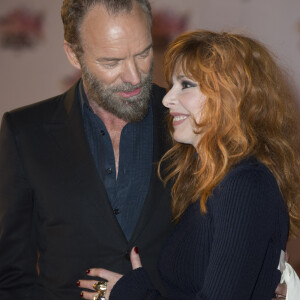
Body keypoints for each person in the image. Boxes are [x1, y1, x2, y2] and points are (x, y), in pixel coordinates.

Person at [78, 30, 300, 299]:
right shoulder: (216, 180)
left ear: (230, 95)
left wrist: (133, 293)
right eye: (172, 85)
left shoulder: (245, 183)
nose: (166, 99)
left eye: (186, 85)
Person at [0, 1, 174, 299]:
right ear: (73, 53)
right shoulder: (25, 132)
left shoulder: (187, 123)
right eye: (111, 62)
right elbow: (11, 274)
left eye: (144, 53)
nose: (134, 76)